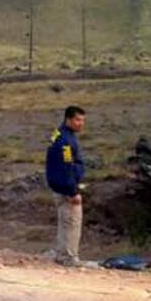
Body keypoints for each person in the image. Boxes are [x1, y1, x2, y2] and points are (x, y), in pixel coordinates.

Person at [45, 105, 86, 266]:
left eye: (82, 120)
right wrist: (72, 191)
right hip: (65, 188)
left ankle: (61, 253)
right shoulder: (66, 141)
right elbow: (66, 166)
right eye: (77, 120)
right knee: (71, 222)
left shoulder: (58, 133)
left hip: (58, 185)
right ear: (68, 119)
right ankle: (69, 257)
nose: (80, 123)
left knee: (64, 222)